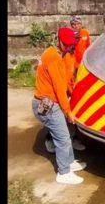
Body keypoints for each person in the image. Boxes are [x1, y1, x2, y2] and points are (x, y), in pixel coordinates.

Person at [32, 27, 87, 185]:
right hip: (47, 104)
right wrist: (68, 111)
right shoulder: (53, 58)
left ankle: (69, 162)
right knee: (63, 138)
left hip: (51, 101)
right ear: (60, 41)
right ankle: (63, 173)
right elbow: (58, 88)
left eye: (72, 45)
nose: (70, 48)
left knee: (67, 133)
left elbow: (67, 80)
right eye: (67, 45)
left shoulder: (56, 53)